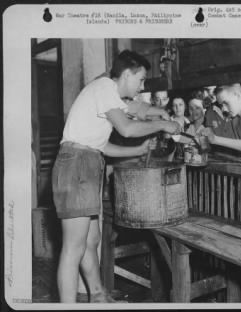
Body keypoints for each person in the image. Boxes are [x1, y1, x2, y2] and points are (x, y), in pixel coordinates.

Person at [52, 50, 180, 303]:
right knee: (73, 247)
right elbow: (128, 127)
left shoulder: (109, 97)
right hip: (76, 165)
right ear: (127, 74)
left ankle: (98, 296)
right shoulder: (104, 86)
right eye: (141, 80)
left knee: (92, 240)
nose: (142, 86)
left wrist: (156, 118)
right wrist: (164, 124)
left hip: (87, 162)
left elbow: (105, 144)